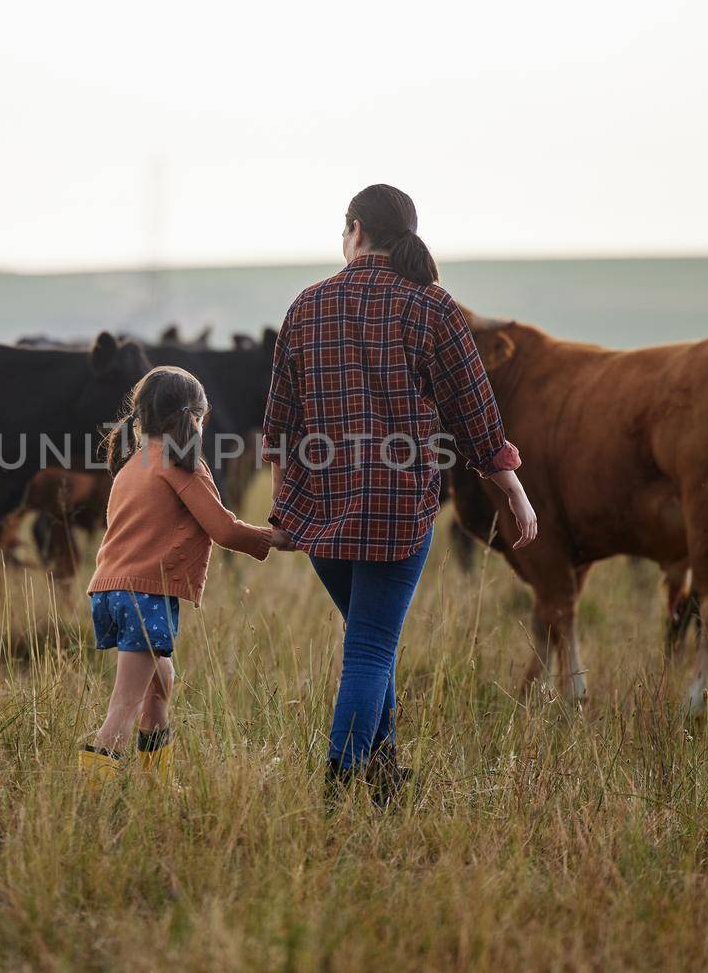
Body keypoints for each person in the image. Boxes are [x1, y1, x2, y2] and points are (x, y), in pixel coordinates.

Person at [262, 183, 537, 804]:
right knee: (369, 647)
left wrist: (283, 510)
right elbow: (477, 418)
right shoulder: (432, 308)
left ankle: (385, 776)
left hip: (321, 514)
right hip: (397, 514)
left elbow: (278, 425)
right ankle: (338, 787)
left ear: (354, 229)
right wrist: (514, 491)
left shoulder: (306, 306)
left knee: (367, 640)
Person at [78, 365, 282, 786]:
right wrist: (276, 538)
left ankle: (159, 786)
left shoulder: (131, 465)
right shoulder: (181, 464)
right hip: (145, 596)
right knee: (123, 707)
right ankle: (88, 798)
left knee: (159, 686)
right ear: (196, 419)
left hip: (109, 592)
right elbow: (223, 529)